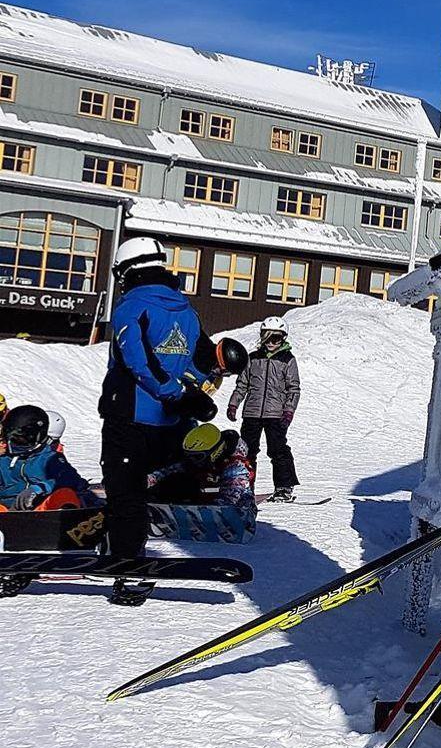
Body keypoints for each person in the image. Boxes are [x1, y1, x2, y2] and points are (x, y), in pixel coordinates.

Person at [99, 237, 215, 603]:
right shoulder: (187, 311)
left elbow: (137, 361)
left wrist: (174, 391)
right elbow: (202, 360)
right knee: (152, 485)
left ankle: (128, 568)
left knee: (125, 492)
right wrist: (192, 390)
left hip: (129, 415)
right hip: (169, 422)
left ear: (128, 269)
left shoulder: (132, 305)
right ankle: (124, 541)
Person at [230, 317, 301, 501]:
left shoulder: (287, 360)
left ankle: (284, 488)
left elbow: (293, 389)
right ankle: (244, 486)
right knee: (246, 451)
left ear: (283, 338)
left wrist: (288, 411)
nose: (270, 342)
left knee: (278, 450)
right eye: (266, 337)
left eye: (275, 338)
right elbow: (242, 384)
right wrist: (234, 404)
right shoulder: (253, 358)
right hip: (252, 412)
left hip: (276, 414)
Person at [0, 406, 98, 511]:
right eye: (11, 438)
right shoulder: (4, 459)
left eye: (20, 440)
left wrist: (40, 488)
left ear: (37, 437)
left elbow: (70, 478)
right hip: (8, 511)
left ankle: (66, 516)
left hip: (42, 509)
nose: (12, 443)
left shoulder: (49, 458)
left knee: (65, 494)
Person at [149, 423, 257, 519]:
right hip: (204, 504)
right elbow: (173, 469)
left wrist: (212, 511)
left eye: (197, 456)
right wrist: (151, 479)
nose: (192, 460)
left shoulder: (236, 466)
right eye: (189, 456)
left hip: (237, 513)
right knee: (178, 479)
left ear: (215, 452)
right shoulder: (201, 461)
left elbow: (231, 496)